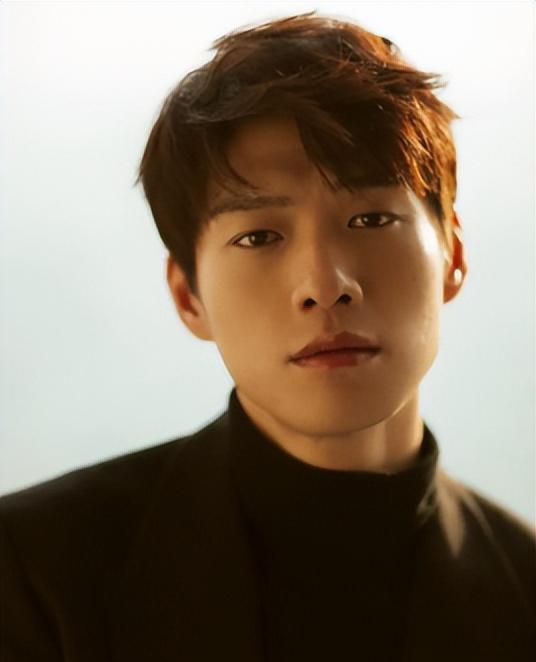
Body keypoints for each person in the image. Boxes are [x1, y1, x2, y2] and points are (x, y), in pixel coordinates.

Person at [1, 11, 534, 662]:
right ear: (188, 296)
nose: (325, 285)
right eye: (258, 236)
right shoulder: (35, 573)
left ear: (453, 255)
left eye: (370, 219)